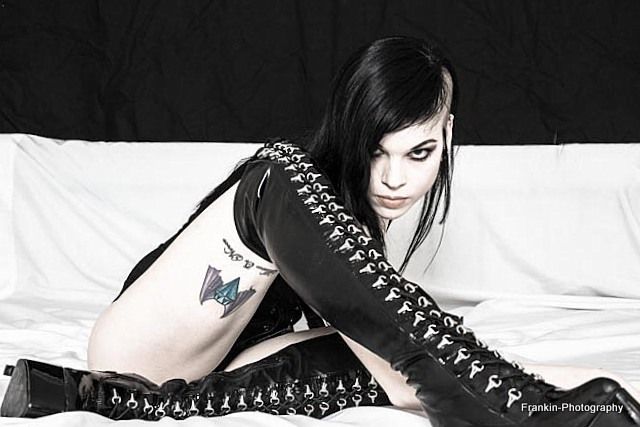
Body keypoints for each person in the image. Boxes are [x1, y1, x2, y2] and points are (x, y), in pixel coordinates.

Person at [1, 36, 639, 426]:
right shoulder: (298, 192)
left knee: (377, 349)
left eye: (418, 153)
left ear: (447, 135)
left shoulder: (353, 243)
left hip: (199, 377)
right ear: (350, 132)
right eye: (375, 150)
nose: (394, 179)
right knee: (280, 170)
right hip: (137, 346)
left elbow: (410, 365)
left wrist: (574, 393)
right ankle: (511, 408)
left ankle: (99, 400)